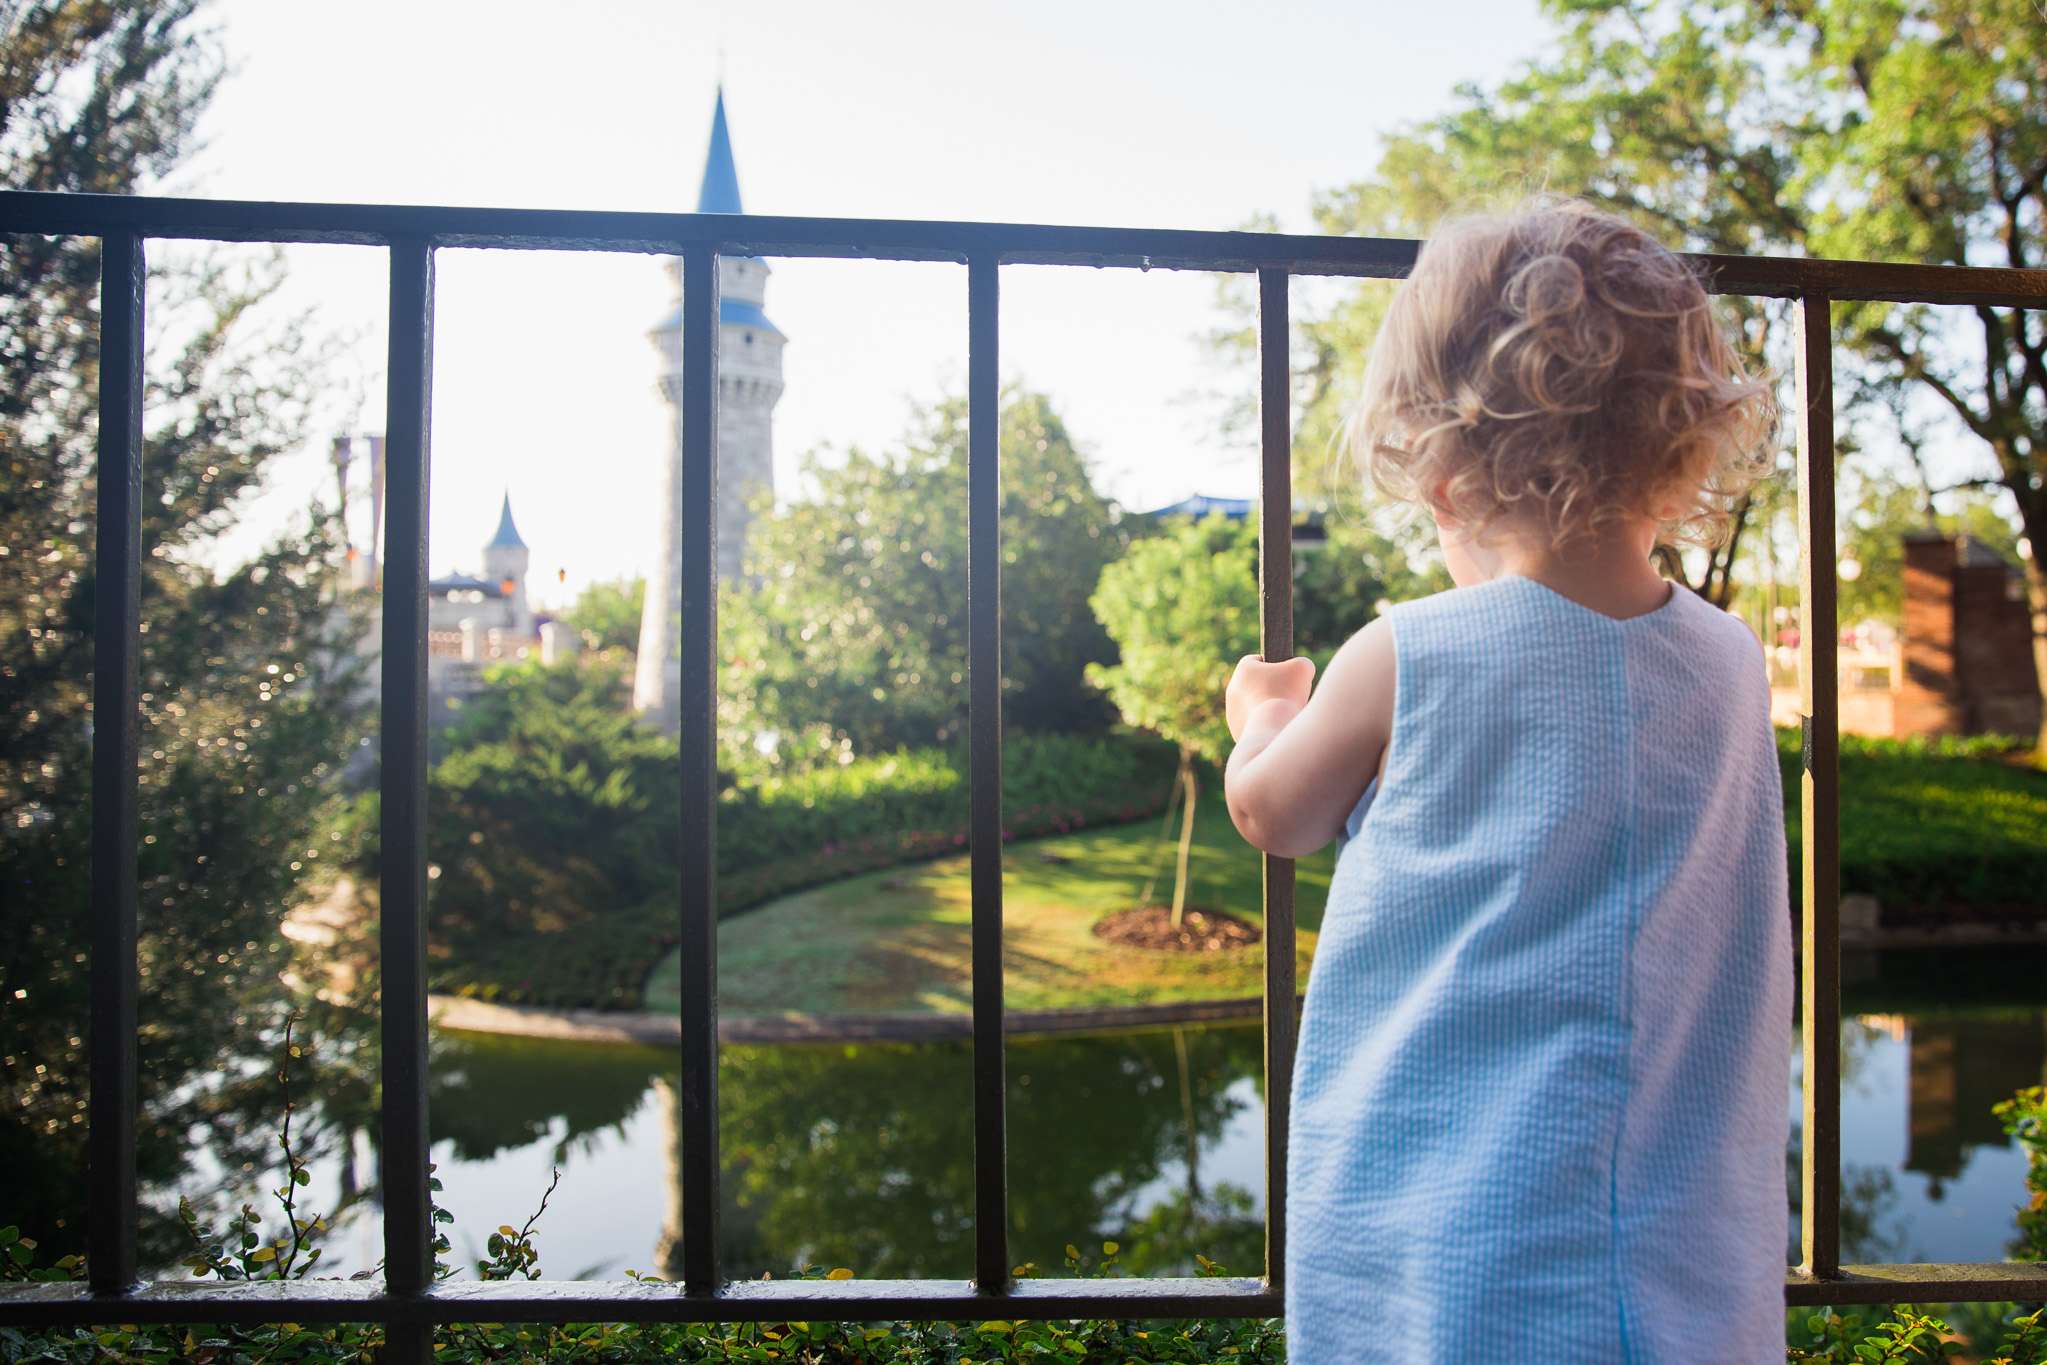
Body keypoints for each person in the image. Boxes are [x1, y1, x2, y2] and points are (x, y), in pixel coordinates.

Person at [1223, 200, 1789, 1363]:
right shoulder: (1729, 660)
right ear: (1677, 445)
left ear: (1445, 465)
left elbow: (1275, 814)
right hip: (1681, 1250)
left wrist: (1265, 715)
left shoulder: (1409, 650)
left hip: (1465, 1250)